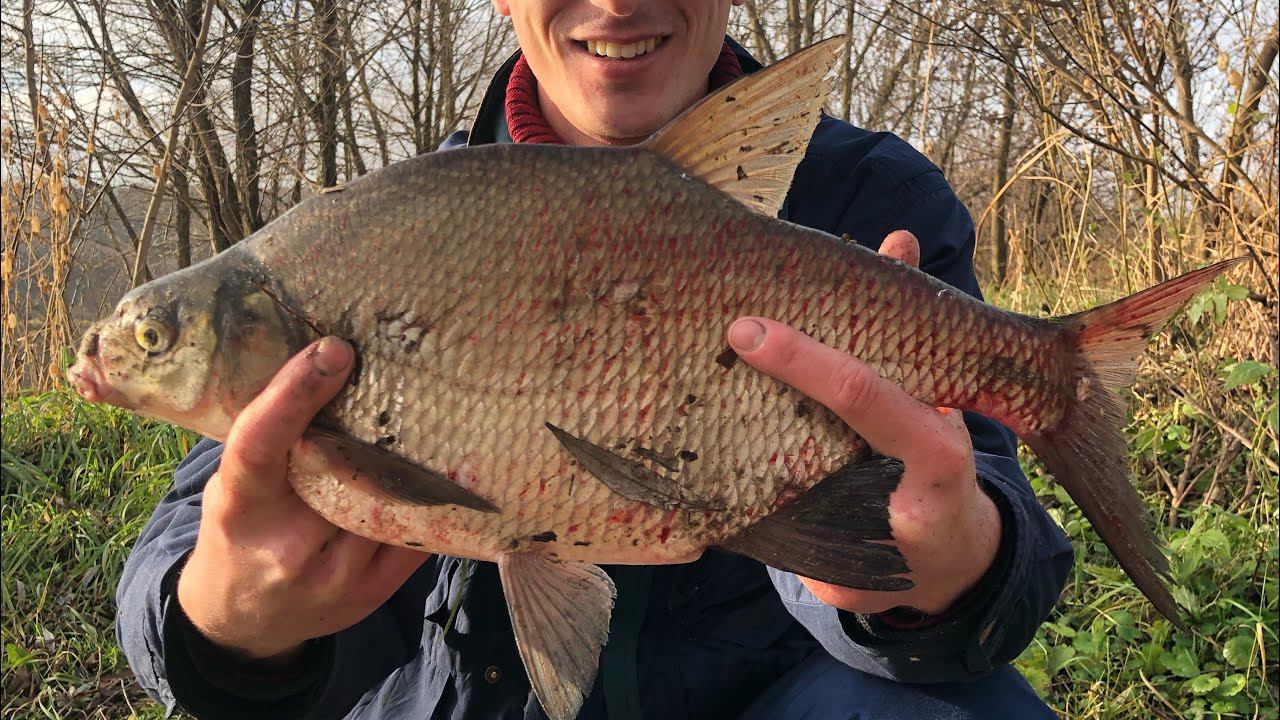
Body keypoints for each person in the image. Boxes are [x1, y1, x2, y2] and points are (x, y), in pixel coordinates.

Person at [116, 1, 1074, 718]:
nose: (619, 2)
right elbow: (193, 534)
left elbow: (993, 521)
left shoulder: (873, 201)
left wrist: (952, 571)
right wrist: (226, 625)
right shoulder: (378, 232)